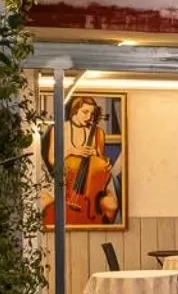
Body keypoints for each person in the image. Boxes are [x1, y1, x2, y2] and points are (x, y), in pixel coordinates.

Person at [41, 94, 121, 225]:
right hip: (64, 182)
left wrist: (102, 160)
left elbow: (101, 161)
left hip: (91, 186)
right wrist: (72, 151)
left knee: (112, 206)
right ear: (75, 110)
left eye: (92, 113)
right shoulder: (59, 130)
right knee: (42, 202)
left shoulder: (97, 132)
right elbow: (52, 160)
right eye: (85, 112)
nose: (89, 117)